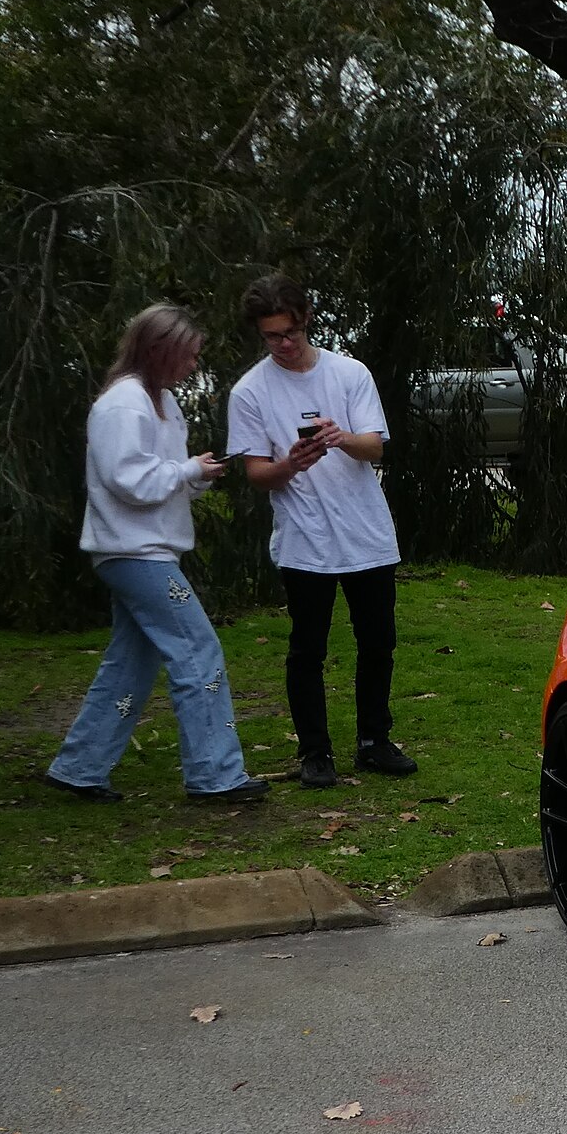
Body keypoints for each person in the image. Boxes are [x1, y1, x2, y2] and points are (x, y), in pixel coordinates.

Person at [45, 305, 267, 804]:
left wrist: (197, 475)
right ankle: (215, 775)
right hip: (134, 552)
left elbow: (161, 479)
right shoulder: (125, 403)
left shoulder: (162, 401)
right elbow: (127, 480)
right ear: (159, 350)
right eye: (187, 355)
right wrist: (187, 471)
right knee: (197, 649)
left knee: (132, 660)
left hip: (146, 549)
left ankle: (80, 766)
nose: (192, 366)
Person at [229, 273, 415, 789]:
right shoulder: (250, 391)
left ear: (306, 318)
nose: (283, 345)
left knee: (377, 641)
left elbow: (375, 446)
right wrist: (291, 463)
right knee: (307, 648)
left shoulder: (349, 373)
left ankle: (374, 740)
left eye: (289, 332)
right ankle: (315, 751)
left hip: (366, 533)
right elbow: (256, 473)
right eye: (271, 337)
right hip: (303, 539)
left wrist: (341, 438)